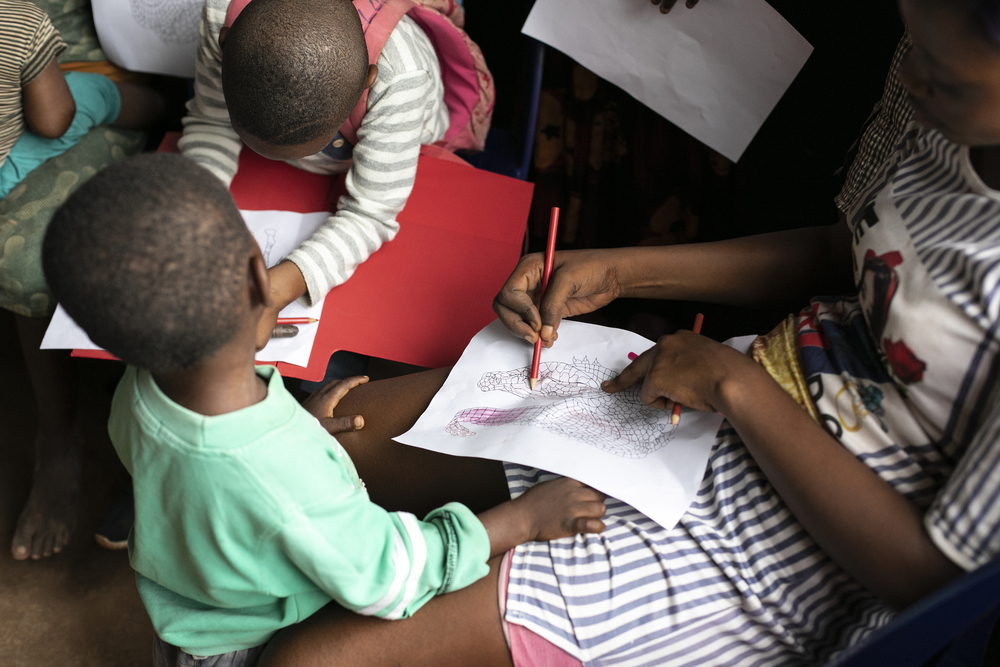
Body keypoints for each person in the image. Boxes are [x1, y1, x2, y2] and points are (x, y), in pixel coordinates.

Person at [243, 0, 1000, 664]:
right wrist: (618, 272)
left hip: (774, 557)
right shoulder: (958, 127)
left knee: (310, 659)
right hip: (697, 412)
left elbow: (932, 577)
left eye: (943, 73)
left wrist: (736, 387)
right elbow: (846, 256)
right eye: (914, 51)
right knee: (319, 452)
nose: (910, 86)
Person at [40, 152, 605, 666]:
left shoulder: (136, 389)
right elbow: (389, 576)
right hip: (250, 640)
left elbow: (202, 478)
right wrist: (519, 521)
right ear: (260, 277)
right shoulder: (284, 477)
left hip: (193, 618)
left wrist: (296, 426)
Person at [180, 0, 492, 352]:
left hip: (397, 151)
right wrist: (192, 214)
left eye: (314, 143)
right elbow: (211, 121)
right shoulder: (222, 14)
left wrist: (276, 291)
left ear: (366, 81)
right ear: (225, 43)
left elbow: (371, 212)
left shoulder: (400, 74)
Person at [1, 0, 165, 560]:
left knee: (23, 261)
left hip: (105, 57)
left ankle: (60, 434)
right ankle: (60, 435)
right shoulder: (18, 21)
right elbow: (57, 117)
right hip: (64, 77)